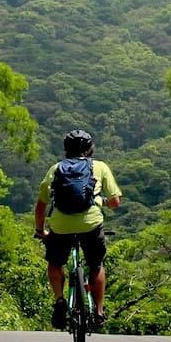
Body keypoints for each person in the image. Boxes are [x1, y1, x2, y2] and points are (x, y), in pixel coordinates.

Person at [34, 129, 122, 329]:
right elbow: (116, 202)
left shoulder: (55, 169)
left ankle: (59, 300)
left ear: (66, 149)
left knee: (55, 263)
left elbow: (41, 206)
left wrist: (41, 231)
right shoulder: (100, 167)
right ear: (90, 149)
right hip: (90, 224)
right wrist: (99, 200)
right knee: (96, 264)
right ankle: (98, 312)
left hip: (61, 225)